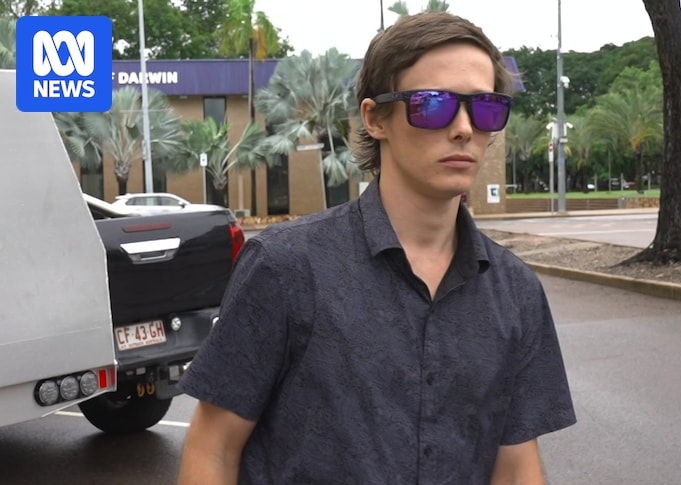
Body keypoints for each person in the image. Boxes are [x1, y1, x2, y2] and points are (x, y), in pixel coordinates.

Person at [177, 11, 576, 485]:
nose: (464, 128)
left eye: (486, 107)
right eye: (433, 104)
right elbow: (213, 449)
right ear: (375, 118)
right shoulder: (284, 269)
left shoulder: (516, 291)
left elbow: (515, 467)